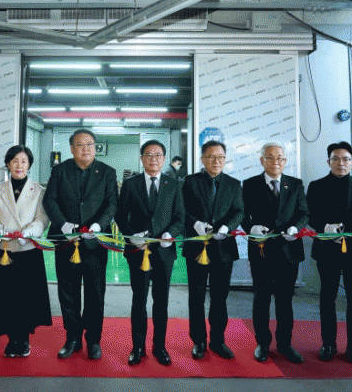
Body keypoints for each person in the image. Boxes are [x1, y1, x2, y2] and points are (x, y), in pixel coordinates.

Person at [43, 129, 117, 360]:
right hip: (66, 242)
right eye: (80, 144)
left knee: (96, 293)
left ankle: (93, 339)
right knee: (68, 291)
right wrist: (62, 224)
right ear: (72, 148)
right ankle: (72, 337)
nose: (86, 149)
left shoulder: (107, 172)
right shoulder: (60, 171)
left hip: (96, 243)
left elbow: (112, 203)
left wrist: (99, 225)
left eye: (90, 144)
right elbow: (49, 200)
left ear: (95, 147)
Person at [306, 141, 352, 368]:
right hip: (327, 249)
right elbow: (309, 216)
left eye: (346, 159)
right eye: (336, 159)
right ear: (328, 161)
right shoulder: (316, 186)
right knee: (327, 297)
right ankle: (328, 344)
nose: (341, 163)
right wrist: (324, 227)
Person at [115, 140, 185, 366]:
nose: (153, 159)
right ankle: (138, 347)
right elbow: (120, 215)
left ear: (164, 159)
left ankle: (159, 347)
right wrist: (131, 236)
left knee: (161, 301)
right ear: (141, 158)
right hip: (138, 251)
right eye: (148, 154)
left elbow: (180, 217)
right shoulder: (131, 184)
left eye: (158, 155)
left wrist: (171, 234)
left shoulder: (173, 184)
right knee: (139, 299)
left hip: (164, 252)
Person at [241, 142, 309, 364]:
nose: (275, 161)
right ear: (262, 160)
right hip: (261, 250)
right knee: (261, 297)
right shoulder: (250, 184)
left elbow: (304, 213)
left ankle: (285, 344)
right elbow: (242, 214)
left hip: (288, 250)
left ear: (285, 161)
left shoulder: (295, 184)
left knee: (284, 299)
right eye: (270, 157)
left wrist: (296, 228)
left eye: (280, 157)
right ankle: (262, 343)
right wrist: (251, 228)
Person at [0, 145, 51, 358]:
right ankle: (11, 338)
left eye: (23, 161)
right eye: (14, 161)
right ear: (8, 164)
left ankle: (23, 339)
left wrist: (28, 233)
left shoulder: (38, 191)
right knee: (6, 298)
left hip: (28, 250)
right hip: (5, 250)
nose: (19, 165)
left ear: (29, 164)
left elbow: (42, 219)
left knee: (26, 298)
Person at [182, 140, 243, 361]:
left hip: (223, 248)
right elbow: (182, 209)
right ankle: (198, 341)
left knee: (220, 297)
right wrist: (195, 223)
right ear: (202, 159)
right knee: (196, 296)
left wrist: (228, 227)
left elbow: (239, 211)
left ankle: (218, 340)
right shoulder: (190, 182)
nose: (216, 161)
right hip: (197, 246)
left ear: (225, 159)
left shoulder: (233, 184)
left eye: (220, 157)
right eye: (211, 157)